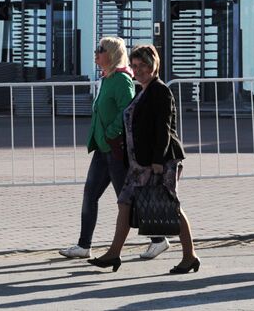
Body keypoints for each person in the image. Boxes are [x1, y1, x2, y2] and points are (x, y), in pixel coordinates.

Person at [88, 44, 198, 274]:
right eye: (135, 66)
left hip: (160, 161)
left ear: (153, 66)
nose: (138, 70)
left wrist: (158, 160)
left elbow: (163, 128)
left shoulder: (160, 91)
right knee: (124, 203)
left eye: (143, 66)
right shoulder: (142, 91)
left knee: (170, 207)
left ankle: (190, 256)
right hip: (139, 163)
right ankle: (114, 253)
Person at [60, 37, 169, 261]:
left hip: (115, 150)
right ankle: (84, 245)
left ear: (111, 53)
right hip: (103, 150)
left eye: (100, 50)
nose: (96, 53)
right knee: (91, 194)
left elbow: (128, 109)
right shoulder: (108, 78)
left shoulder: (121, 80)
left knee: (127, 199)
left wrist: (110, 133)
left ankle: (159, 239)